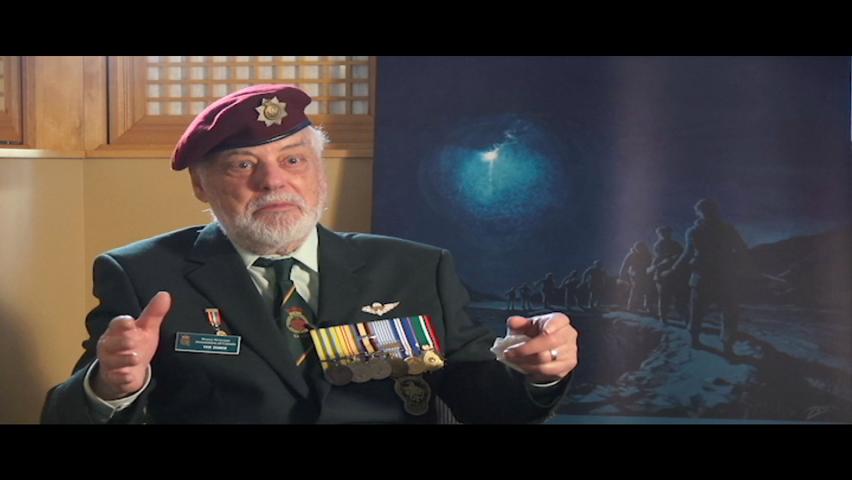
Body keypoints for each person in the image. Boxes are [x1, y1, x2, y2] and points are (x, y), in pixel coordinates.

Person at [40, 84, 578, 424]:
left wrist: (539, 374)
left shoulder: (416, 269)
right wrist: (109, 386)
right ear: (202, 185)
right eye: (243, 165)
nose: (273, 182)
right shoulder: (141, 274)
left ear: (319, 171)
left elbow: (488, 407)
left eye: (293, 160)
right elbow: (64, 415)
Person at [663, 199, 748, 354]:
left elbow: (741, 249)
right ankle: (704, 340)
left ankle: (722, 343)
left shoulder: (714, 230)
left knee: (722, 311)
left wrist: (673, 269)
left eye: (709, 209)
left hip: (716, 275)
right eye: (705, 210)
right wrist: (674, 269)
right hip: (708, 275)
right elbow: (687, 254)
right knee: (703, 311)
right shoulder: (699, 231)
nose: (708, 212)